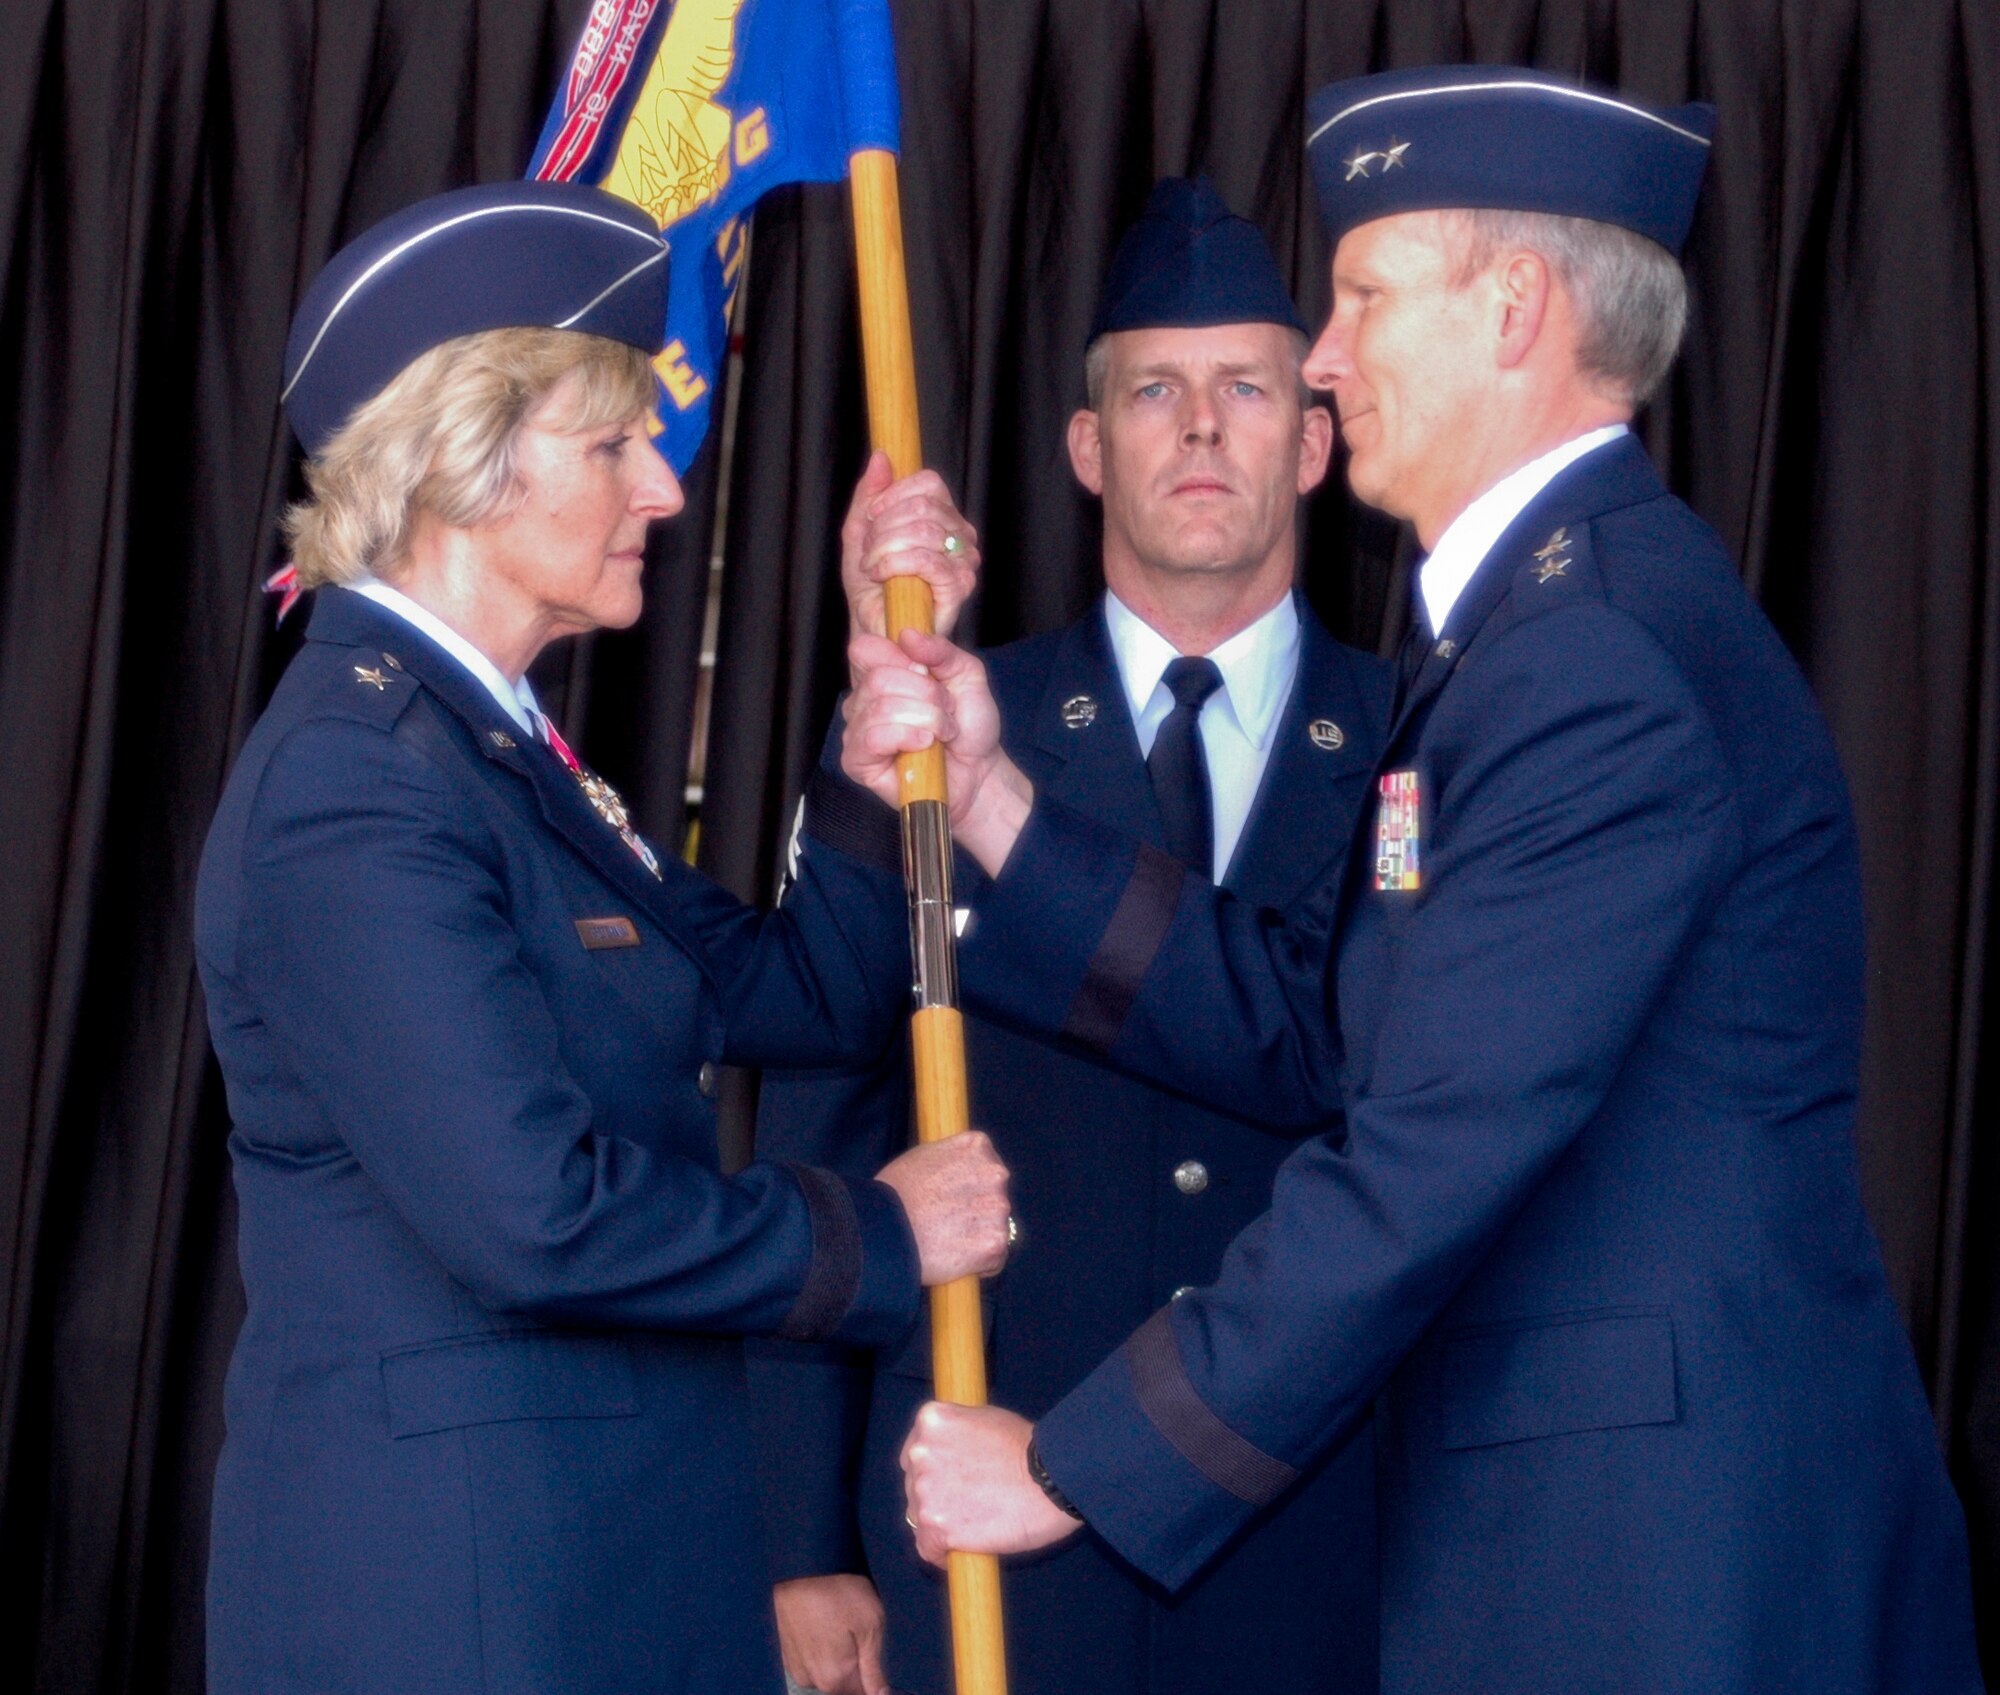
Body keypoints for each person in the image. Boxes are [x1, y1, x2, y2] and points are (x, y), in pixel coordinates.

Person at [840, 68, 1987, 1691]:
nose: (1323, 353)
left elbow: (1428, 1154)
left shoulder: (1586, 653)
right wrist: (1004, 798)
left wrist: (1072, 1465)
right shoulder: (1530, 631)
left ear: (1514, 308)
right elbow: (1318, 1020)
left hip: (1657, 1561)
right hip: (1591, 1532)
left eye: (1367, 293)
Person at [193, 179, 1010, 1695]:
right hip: (465, 1605)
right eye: (614, 446)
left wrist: (865, 725)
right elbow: (531, 1216)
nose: (667, 490)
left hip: (596, 1580)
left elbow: (805, 997)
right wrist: (876, 1236)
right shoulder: (354, 785)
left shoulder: (500, 757)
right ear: (460, 466)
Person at [747, 179, 1389, 1695]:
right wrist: (799, 1539)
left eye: (1248, 387)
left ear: (1314, 438)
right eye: (1153, 391)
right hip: (971, 1536)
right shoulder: (935, 721)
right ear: (1090, 450)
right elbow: (820, 1122)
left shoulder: (1416, 746)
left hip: (1317, 1538)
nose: (1204, 429)